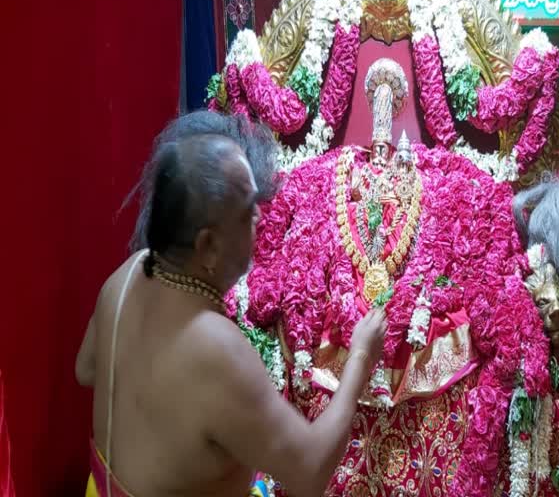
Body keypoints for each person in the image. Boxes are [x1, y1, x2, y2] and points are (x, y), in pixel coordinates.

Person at [75, 111, 387, 497]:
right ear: (207, 245)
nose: (258, 215)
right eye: (244, 212)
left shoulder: (124, 278)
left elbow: (86, 369)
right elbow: (309, 474)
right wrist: (359, 357)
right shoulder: (215, 347)